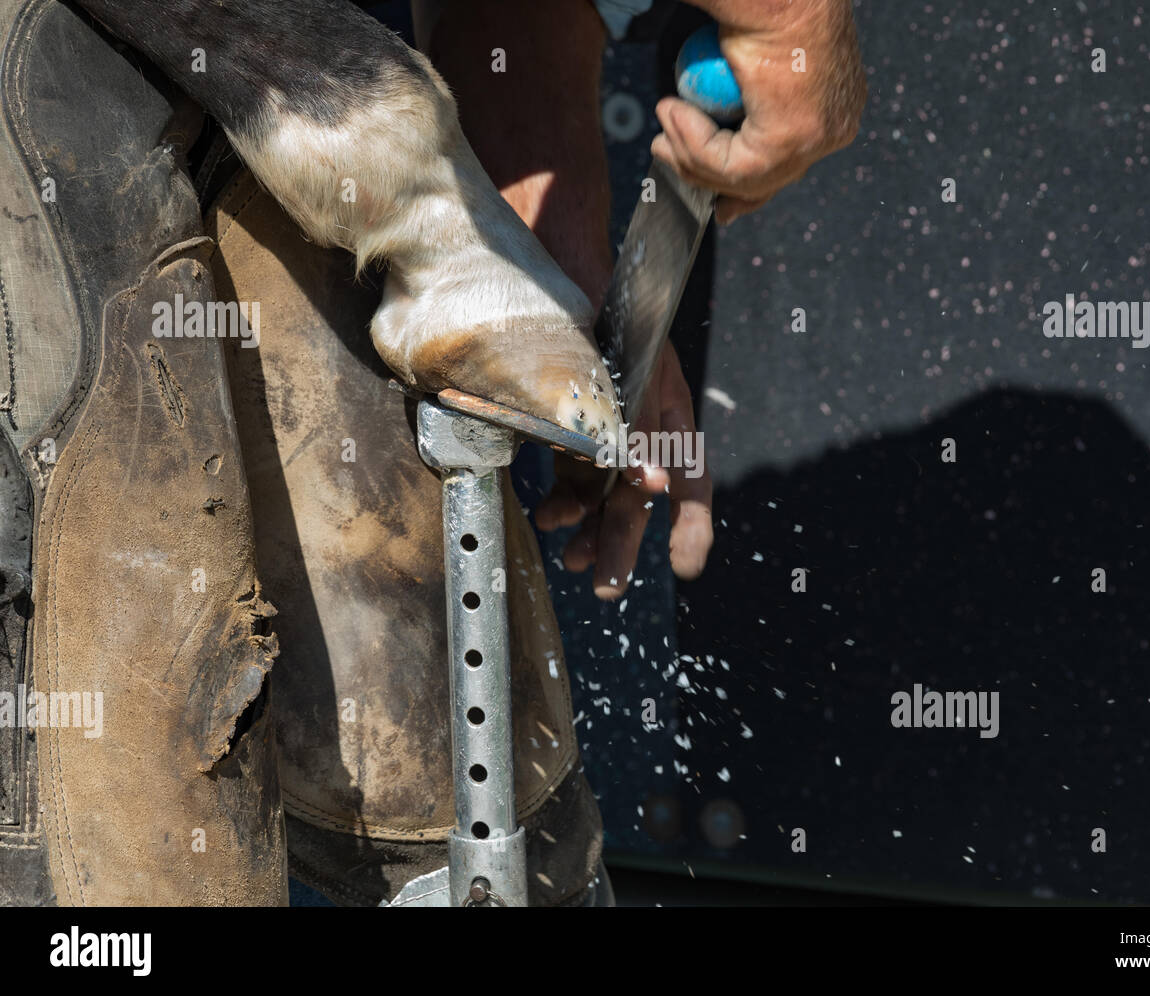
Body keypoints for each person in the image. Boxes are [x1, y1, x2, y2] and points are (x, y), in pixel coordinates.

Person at [0, 0, 864, 906]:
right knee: (129, 818)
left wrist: (547, 264)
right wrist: (786, 18)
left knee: (468, 800)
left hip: (308, 77)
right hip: (87, 87)